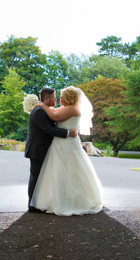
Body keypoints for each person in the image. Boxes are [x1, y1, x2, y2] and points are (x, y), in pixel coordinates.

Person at [30, 86, 103, 216]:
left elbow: (54, 116)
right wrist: (45, 107)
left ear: (68, 99)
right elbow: (53, 111)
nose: (59, 99)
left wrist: (41, 105)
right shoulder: (66, 108)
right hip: (60, 144)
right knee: (59, 173)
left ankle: (72, 201)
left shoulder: (72, 109)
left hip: (68, 145)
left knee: (71, 172)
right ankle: (57, 199)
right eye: (57, 97)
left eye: (62, 97)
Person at [25, 87, 78, 213]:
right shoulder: (39, 111)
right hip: (37, 148)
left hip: (43, 147)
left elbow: (54, 118)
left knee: (40, 177)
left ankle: (38, 203)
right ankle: (32, 205)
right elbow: (48, 130)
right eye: (54, 97)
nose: (56, 99)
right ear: (47, 98)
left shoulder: (44, 110)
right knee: (36, 176)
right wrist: (67, 132)